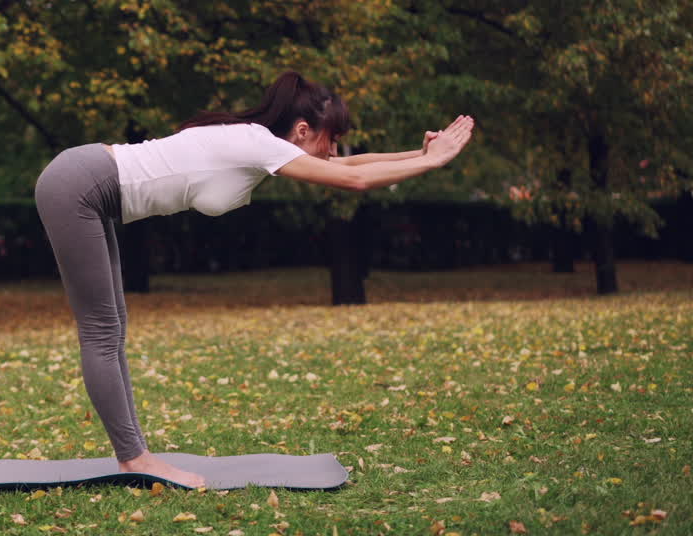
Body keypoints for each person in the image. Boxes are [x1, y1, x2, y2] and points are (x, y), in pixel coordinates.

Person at [33, 71, 474, 488]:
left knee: (113, 328)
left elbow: (351, 166)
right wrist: (433, 162)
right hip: (78, 186)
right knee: (101, 331)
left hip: (88, 184)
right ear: (302, 130)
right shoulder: (256, 143)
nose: (334, 152)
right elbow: (353, 179)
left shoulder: (257, 142)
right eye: (330, 140)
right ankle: (133, 456)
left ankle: (133, 451)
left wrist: (420, 154)